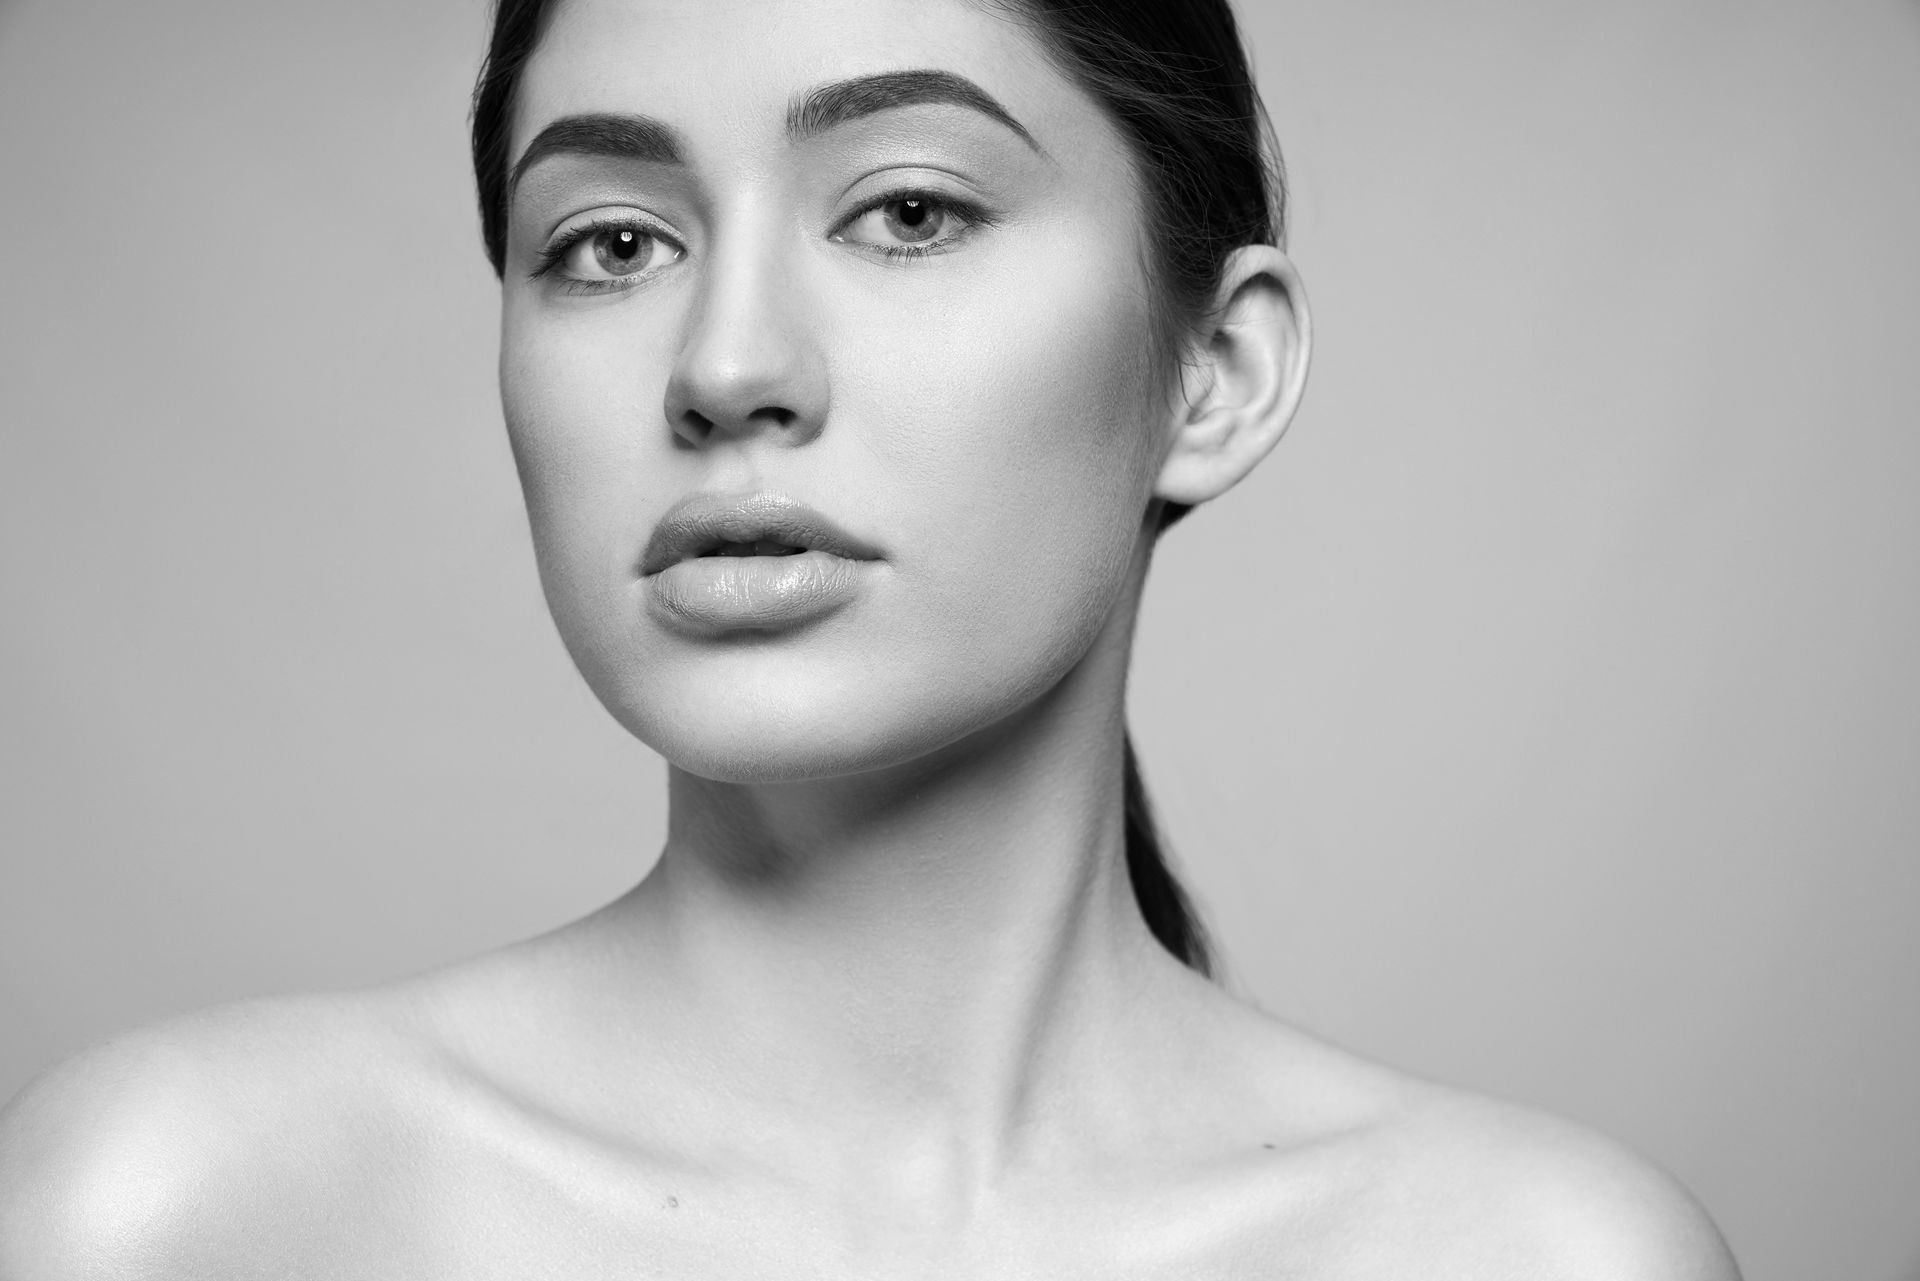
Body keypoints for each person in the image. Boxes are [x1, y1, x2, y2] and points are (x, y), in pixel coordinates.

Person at [0, 0, 1742, 1275]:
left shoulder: (1523, 1255)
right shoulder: (185, 1215)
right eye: (610, 244)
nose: (728, 364)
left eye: (908, 210)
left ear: (1215, 373)